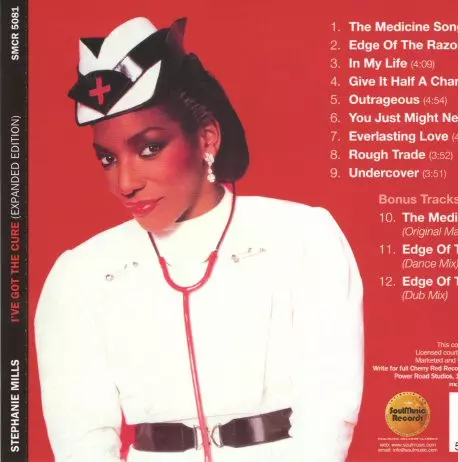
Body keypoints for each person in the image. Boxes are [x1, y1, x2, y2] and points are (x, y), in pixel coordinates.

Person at [34, 16, 364, 462]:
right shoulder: (80, 274)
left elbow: (328, 402)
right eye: (108, 159)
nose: (125, 183)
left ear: (206, 138)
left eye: (150, 148)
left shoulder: (302, 236)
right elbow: (80, 437)